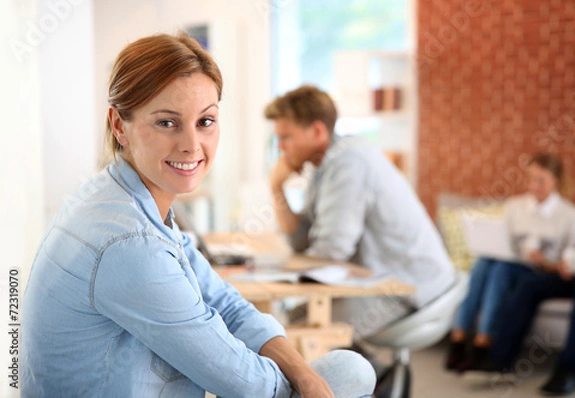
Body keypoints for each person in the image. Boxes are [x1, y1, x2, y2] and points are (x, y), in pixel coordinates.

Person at [21, 33, 376, 398]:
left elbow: (226, 303)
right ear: (118, 126)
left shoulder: (119, 197)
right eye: (167, 123)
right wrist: (304, 384)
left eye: (205, 121)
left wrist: (305, 375)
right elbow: (246, 384)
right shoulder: (129, 242)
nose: (191, 145)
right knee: (351, 373)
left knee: (341, 373)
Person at [264, 85, 456, 340]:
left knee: (293, 337)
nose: (280, 148)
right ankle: (374, 376)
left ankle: (370, 378)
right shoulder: (324, 166)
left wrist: (285, 271)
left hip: (407, 287)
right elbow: (301, 241)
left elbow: (331, 250)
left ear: (318, 132)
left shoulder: (349, 161)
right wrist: (277, 187)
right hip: (379, 282)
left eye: (286, 137)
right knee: (289, 324)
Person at [468, 163, 575, 396]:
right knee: (530, 285)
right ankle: (500, 358)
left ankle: (568, 370)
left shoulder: (570, 214)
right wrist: (566, 262)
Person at [445, 153, 575, 372]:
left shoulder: (570, 215)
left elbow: (571, 263)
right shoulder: (515, 206)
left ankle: (483, 342)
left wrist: (545, 261)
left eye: (541, 180)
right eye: (531, 179)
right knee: (484, 263)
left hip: (543, 272)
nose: (534, 186)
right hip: (512, 265)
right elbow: (504, 244)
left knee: (500, 269)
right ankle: (459, 338)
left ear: (556, 180)